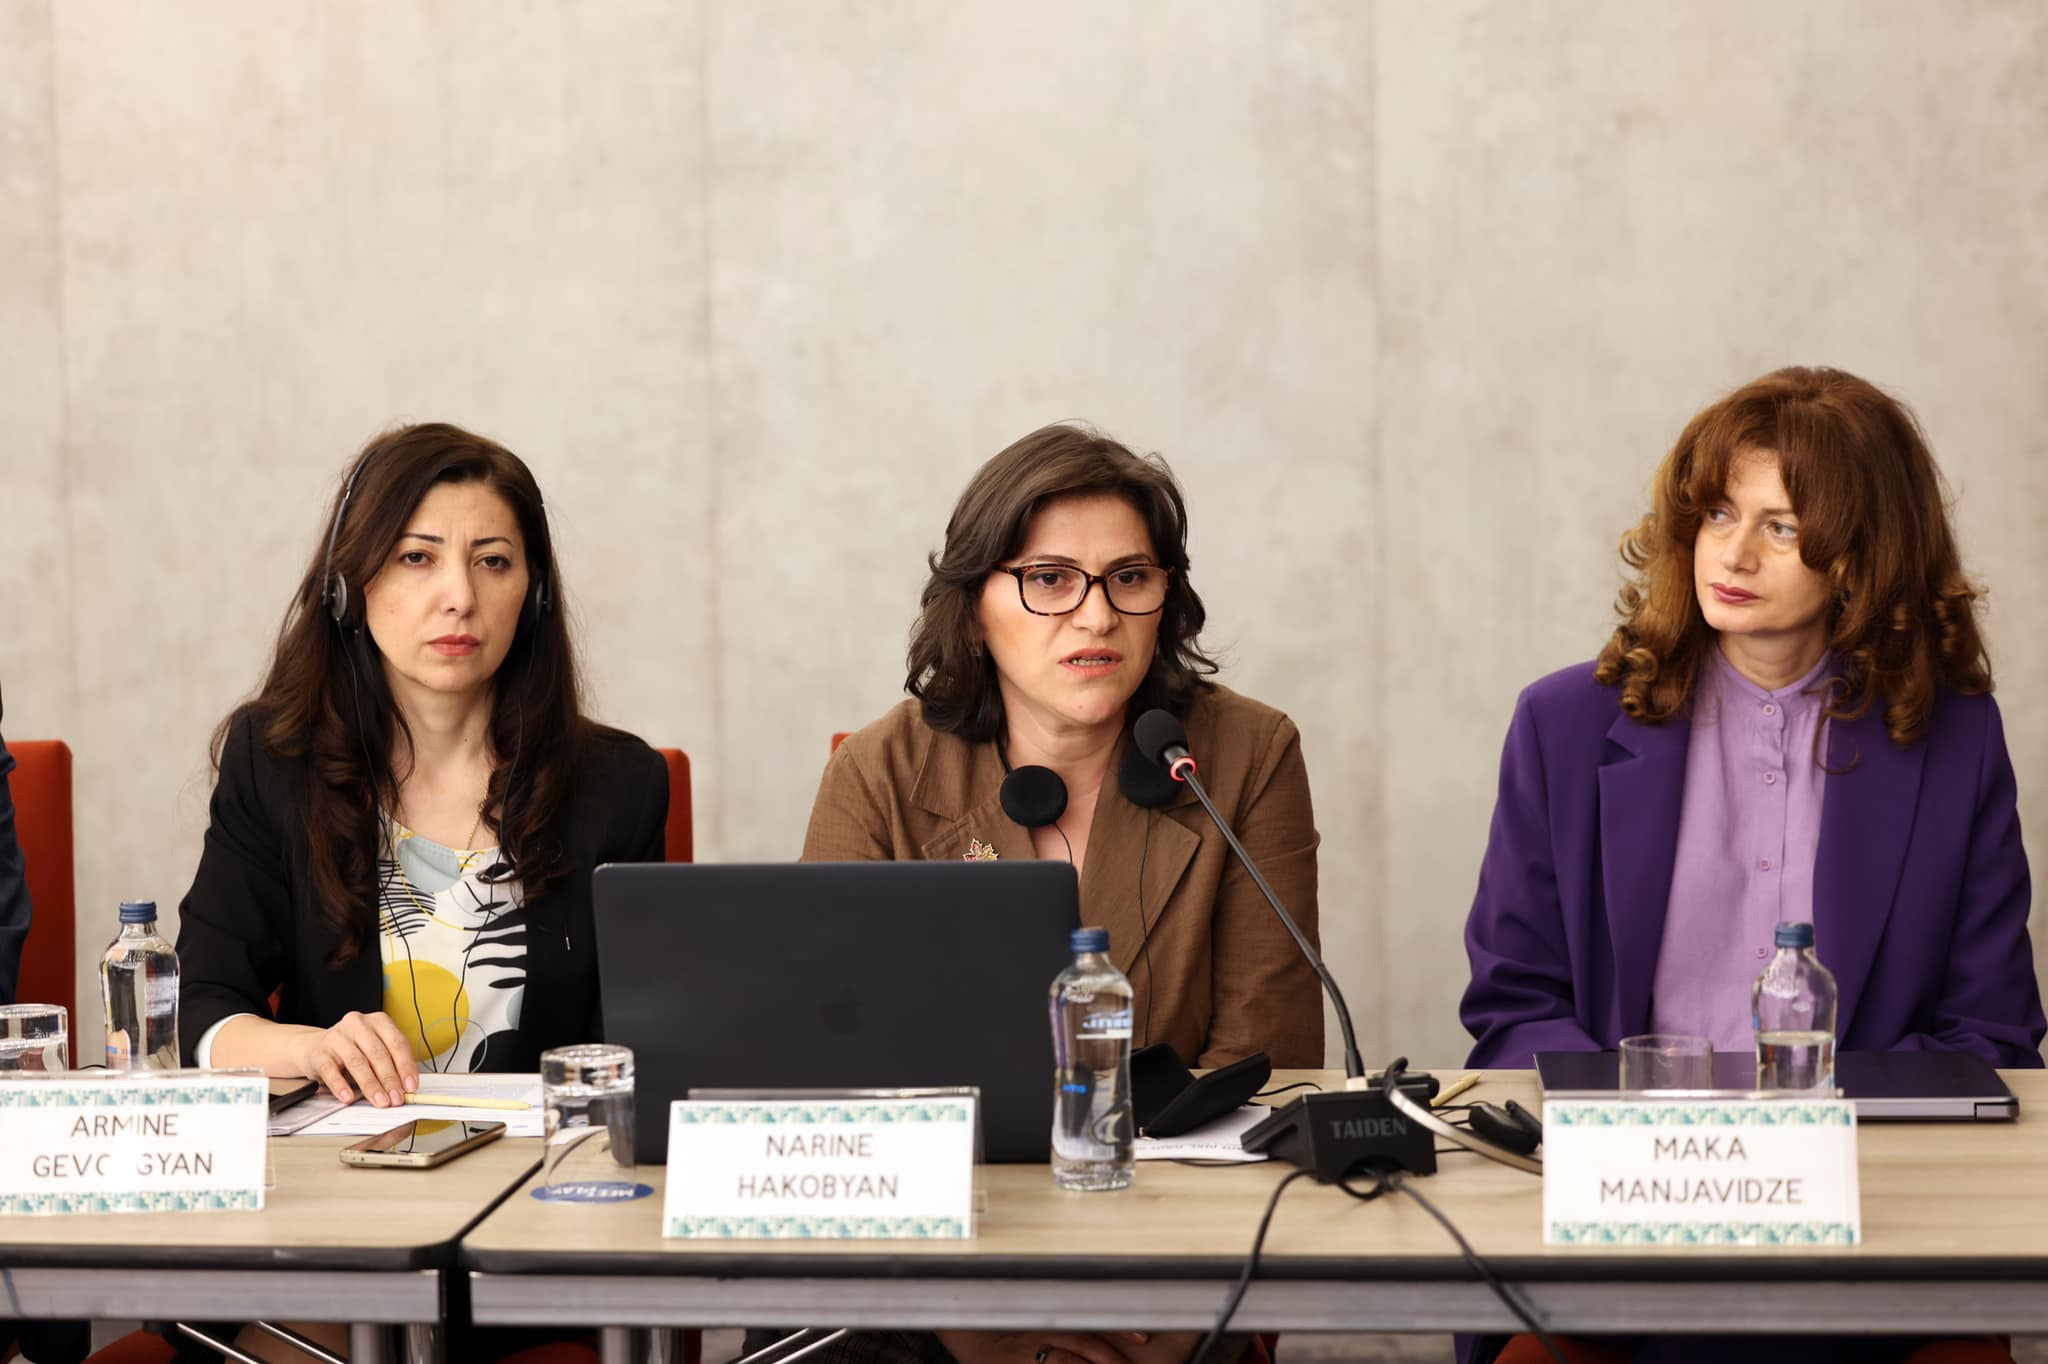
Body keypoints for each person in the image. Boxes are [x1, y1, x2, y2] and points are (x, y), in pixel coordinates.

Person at [1461, 367, 2043, 1364]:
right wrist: (1656, 1141)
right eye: (1719, 513)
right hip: (1617, 1226)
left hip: (1873, 1219)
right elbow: (1512, 1007)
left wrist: (1805, 1144)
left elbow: (1991, 1034)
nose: (1731, 553)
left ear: (1860, 558)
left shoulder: (1954, 741)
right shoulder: (1562, 724)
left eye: (1781, 526)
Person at [795, 422, 1319, 1364]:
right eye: (1049, 578)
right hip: (928, 1259)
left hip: (1172, 1257)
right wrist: (977, 1320)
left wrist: (1150, 1302)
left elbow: (1264, 1067)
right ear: (972, 609)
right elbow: (834, 1083)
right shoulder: (880, 773)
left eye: (1130, 577)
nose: (1096, 616)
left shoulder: (1244, 757)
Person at [174, 423, 666, 1362]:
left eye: (494, 561)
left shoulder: (618, 786)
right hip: (338, 1223)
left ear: (535, 592)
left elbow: (642, 1047)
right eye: (417, 557)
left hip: (537, 1229)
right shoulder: (274, 764)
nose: (459, 596)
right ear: (349, 585)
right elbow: (203, 1003)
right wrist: (308, 1046)